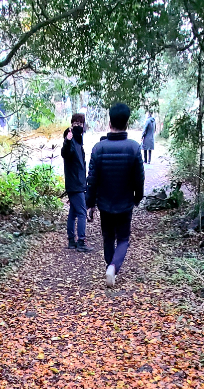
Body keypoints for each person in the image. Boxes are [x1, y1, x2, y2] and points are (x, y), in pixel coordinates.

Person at [86, 103, 145, 287]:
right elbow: (139, 179)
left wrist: (90, 203)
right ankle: (113, 267)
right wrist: (137, 197)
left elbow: (92, 179)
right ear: (127, 123)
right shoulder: (134, 148)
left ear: (110, 121)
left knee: (108, 236)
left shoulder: (98, 148)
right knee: (124, 238)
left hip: (105, 203)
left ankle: (109, 266)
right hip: (125, 203)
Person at [61, 113, 92, 252]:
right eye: (76, 123)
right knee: (82, 213)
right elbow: (65, 152)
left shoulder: (79, 141)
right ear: (72, 124)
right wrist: (67, 141)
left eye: (81, 123)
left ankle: (71, 240)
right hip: (75, 183)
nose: (79, 125)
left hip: (77, 182)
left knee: (73, 212)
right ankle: (81, 241)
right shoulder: (71, 139)